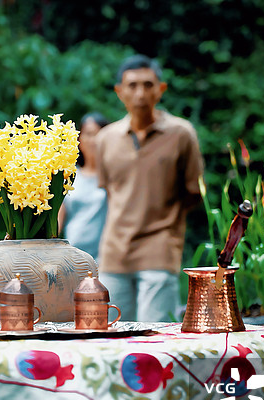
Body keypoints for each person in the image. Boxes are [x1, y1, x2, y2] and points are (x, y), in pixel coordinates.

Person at [95, 54, 205, 323]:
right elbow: (111, 192)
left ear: (161, 89)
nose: (140, 93)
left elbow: (194, 191)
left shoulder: (181, 134)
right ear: (119, 92)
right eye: (132, 86)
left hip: (160, 249)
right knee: (111, 335)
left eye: (147, 84)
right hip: (114, 254)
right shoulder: (105, 139)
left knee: (154, 337)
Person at [58, 112, 110, 263]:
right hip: (73, 258)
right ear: (79, 139)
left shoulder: (112, 177)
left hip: (105, 259)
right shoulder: (69, 176)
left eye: (98, 134)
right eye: (88, 134)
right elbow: (58, 220)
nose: (92, 140)